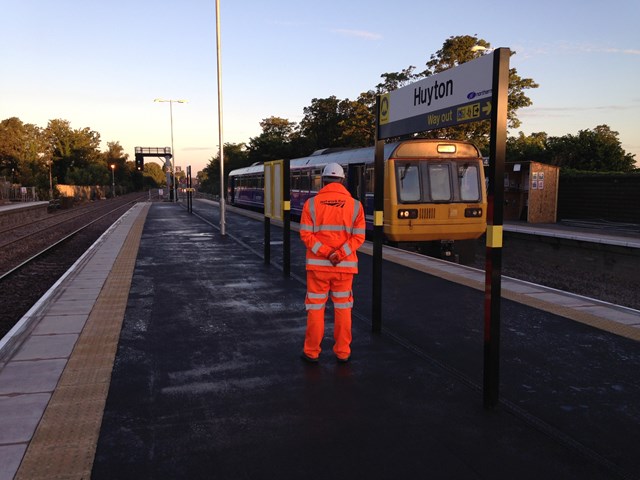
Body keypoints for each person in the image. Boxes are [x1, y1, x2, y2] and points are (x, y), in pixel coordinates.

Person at [299, 162, 366, 364]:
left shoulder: (311, 204)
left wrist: (327, 253)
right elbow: (359, 237)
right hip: (344, 269)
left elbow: (306, 234)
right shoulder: (356, 206)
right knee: (343, 309)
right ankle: (343, 352)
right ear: (343, 180)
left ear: (323, 180)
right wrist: (340, 253)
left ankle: (312, 352)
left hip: (318, 268)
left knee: (316, 309)